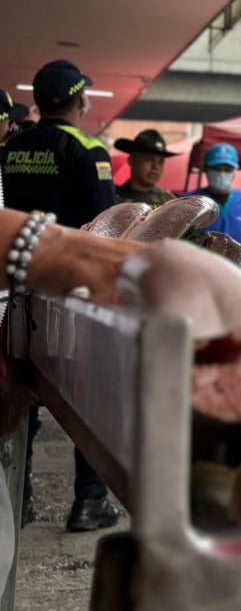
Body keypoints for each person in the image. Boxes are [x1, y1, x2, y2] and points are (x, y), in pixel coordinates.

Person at [1, 58, 120, 532]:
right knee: (90, 395)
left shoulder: (11, 147)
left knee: (21, 384)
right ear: (78, 99)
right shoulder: (88, 150)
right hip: (73, 290)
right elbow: (107, 228)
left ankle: (21, 495)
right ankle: (89, 500)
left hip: (14, 287)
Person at [184, 143, 241, 263]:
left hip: (238, 275)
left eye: (227, 170)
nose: (221, 174)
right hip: (198, 273)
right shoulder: (188, 202)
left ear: (235, 170)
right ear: (205, 168)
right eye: (216, 168)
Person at [113, 128, 178, 207]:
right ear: (131, 160)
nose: (155, 167)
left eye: (160, 162)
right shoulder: (114, 198)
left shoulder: (168, 201)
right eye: (148, 160)